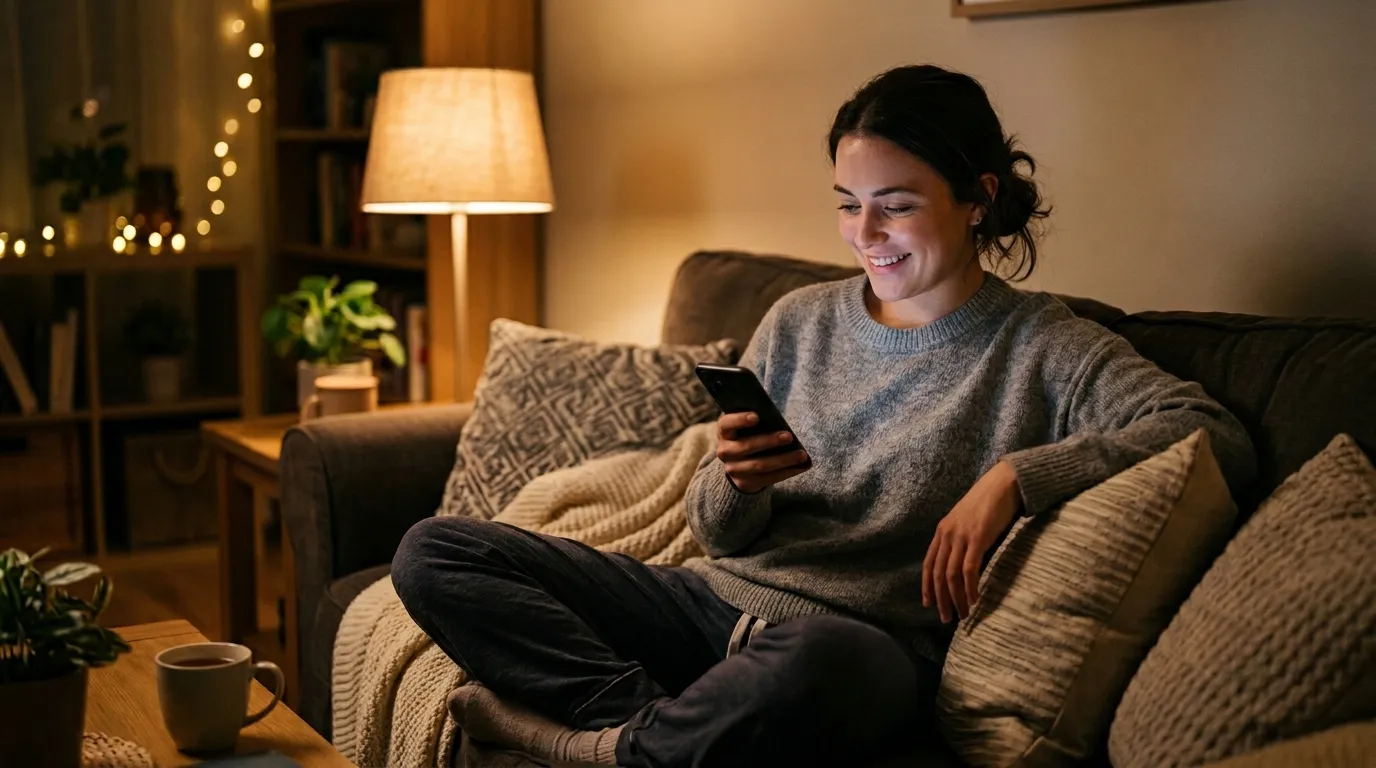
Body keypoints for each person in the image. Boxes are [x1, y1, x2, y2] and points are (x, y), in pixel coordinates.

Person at [392, 64, 1256, 768]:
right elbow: (719, 537)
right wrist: (737, 481)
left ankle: (598, 740)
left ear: (977, 198)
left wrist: (1016, 477)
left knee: (836, 661)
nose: (864, 231)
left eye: (897, 203)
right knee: (436, 551)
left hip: (850, 650)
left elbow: (1210, 432)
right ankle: (636, 730)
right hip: (707, 608)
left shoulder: (1045, 348)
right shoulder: (801, 320)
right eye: (847, 201)